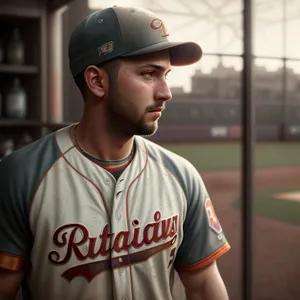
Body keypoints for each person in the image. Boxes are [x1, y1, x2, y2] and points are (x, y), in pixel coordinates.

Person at [0, 6, 231, 300]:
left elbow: (202, 285)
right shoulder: (21, 175)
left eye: (166, 75)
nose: (166, 92)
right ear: (97, 81)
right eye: (149, 74)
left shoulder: (181, 175)